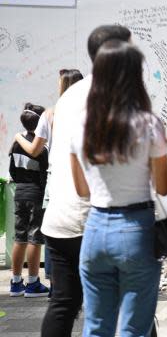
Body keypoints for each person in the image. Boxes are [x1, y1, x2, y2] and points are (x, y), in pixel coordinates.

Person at [69, 40, 167, 336]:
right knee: (134, 328)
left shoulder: (81, 125)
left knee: (96, 325)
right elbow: (162, 187)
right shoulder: (149, 124)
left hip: (95, 229)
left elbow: (81, 189)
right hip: (136, 228)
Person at [40, 25, 132, 337]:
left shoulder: (69, 97)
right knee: (131, 304)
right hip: (98, 219)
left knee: (64, 303)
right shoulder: (116, 95)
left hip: (60, 217)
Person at [15, 69, 84, 293]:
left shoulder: (51, 113)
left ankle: (56, 284)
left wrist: (17, 137)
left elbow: (34, 150)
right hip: (83, 174)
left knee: (54, 229)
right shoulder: (91, 112)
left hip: (56, 178)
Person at [8, 103, 49, 297]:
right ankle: (33, 283)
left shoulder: (16, 143)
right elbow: (44, 173)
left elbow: (12, 171)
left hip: (20, 192)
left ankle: (16, 283)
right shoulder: (39, 147)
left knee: (20, 236)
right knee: (35, 237)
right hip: (36, 194)